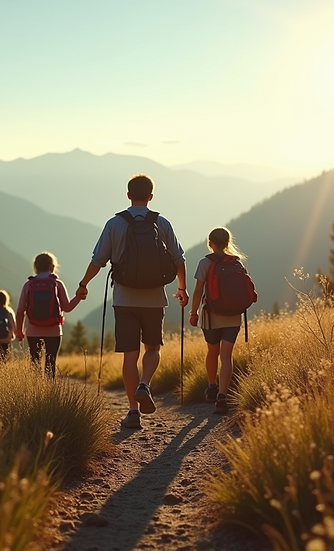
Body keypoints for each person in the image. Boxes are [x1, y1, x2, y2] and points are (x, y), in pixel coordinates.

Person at [76, 174, 189, 429]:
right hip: (155, 298)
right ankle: (145, 384)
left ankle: (132, 412)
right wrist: (182, 289)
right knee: (153, 349)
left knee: (130, 355)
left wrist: (83, 285)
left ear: (128, 195)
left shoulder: (114, 224)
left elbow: (97, 261)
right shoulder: (162, 223)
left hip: (124, 300)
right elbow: (179, 260)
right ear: (151, 196)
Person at [189, 227, 246, 415]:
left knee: (212, 352)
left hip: (211, 317)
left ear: (210, 243)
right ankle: (222, 397)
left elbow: (198, 290)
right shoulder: (237, 263)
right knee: (226, 356)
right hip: (233, 316)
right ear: (228, 242)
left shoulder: (205, 263)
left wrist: (193, 312)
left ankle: (212, 387)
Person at [15, 252, 82, 378]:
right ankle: (49, 394)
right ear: (52, 267)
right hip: (54, 330)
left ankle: (35, 393)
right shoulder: (57, 284)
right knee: (50, 363)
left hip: (33, 330)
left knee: (35, 362)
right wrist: (78, 297)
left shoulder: (29, 285)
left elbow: (20, 311)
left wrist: (19, 331)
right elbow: (67, 308)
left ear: (35, 267)